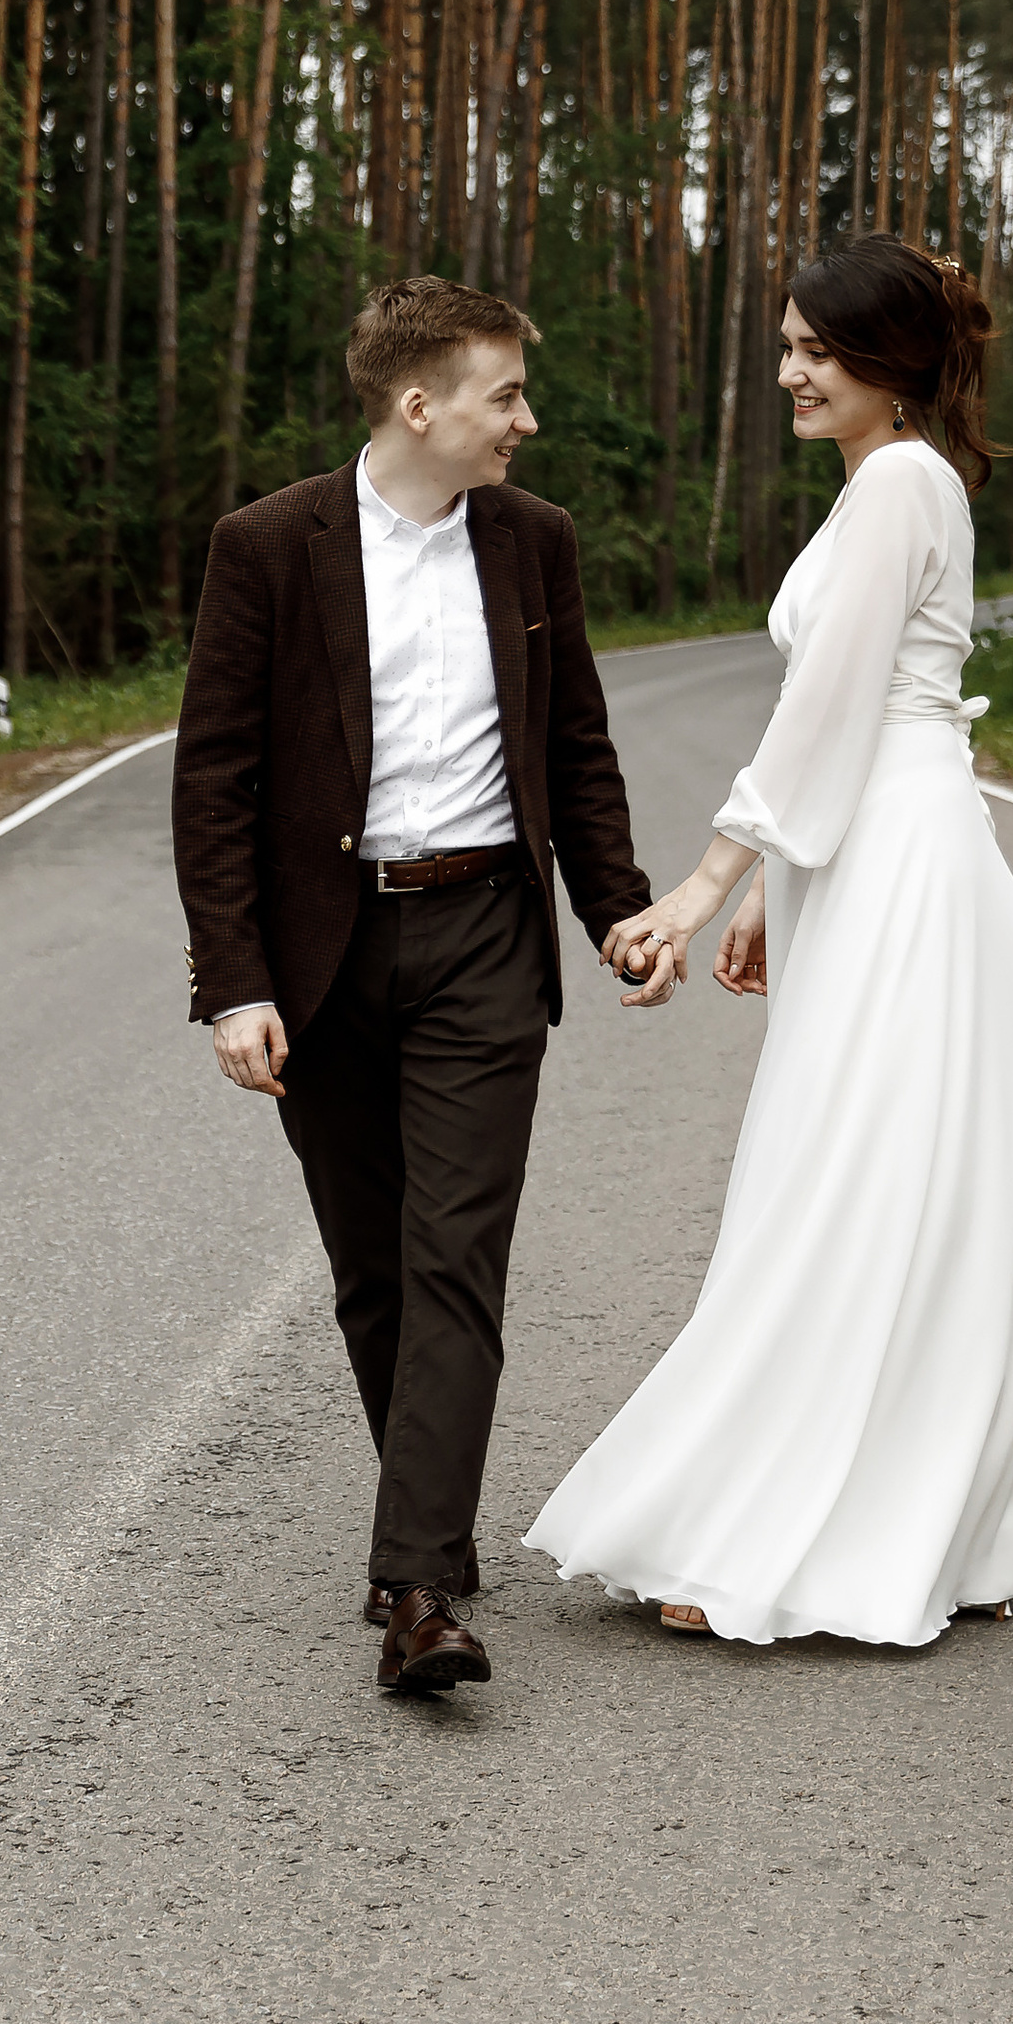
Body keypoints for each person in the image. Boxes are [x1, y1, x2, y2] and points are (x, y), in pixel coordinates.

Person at [526, 235, 1013, 1646]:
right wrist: (788, 886)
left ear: (889, 364)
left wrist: (714, 880)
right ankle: (856, 1510)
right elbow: (859, 707)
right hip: (875, 849)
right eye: (785, 346)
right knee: (861, 1172)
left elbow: (839, 700)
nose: (790, 372)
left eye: (816, 352)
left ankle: (804, 1526)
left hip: (905, 863)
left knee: (855, 1175)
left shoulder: (901, 480)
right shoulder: (890, 487)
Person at [173, 277, 653, 1696]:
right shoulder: (268, 547)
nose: (527, 420)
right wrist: (232, 983)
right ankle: (424, 1529)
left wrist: (618, 910)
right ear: (418, 404)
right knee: (374, 1274)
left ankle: (422, 1588)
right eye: (506, 395)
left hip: (487, 937)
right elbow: (215, 783)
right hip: (326, 957)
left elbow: (578, 747)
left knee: (457, 1257)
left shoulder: (534, 544)